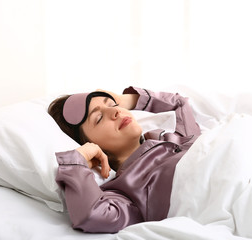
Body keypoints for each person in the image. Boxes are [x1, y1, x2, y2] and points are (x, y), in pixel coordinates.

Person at [48, 86, 201, 233]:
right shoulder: (124, 191)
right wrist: (78, 160)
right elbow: (91, 215)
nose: (115, 111)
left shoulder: (175, 138)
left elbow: (179, 103)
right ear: (86, 143)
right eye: (99, 118)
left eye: (113, 105)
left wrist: (125, 100)